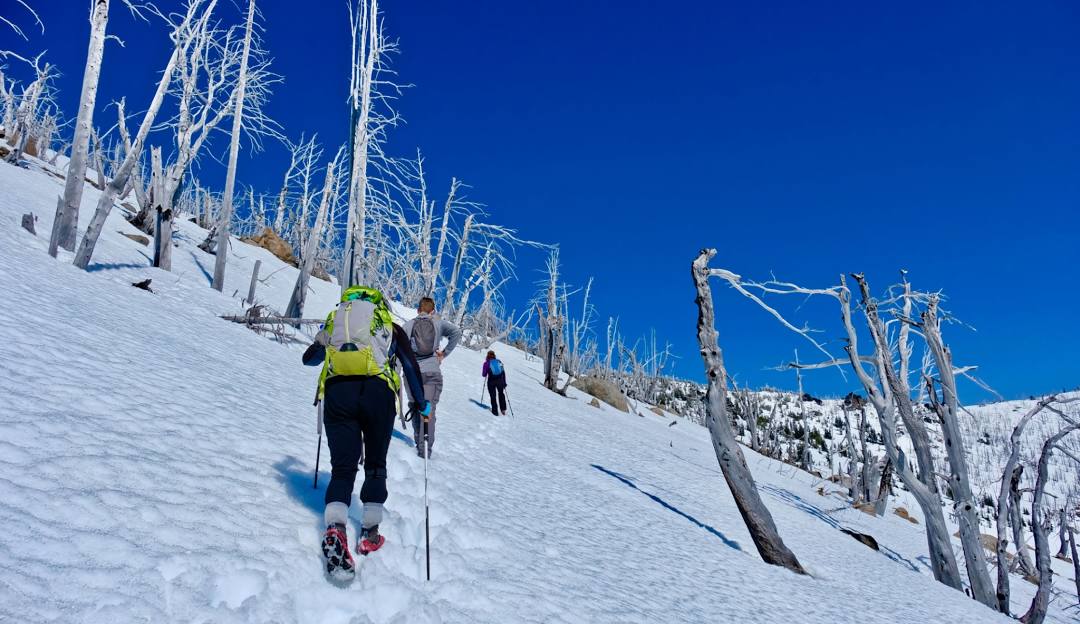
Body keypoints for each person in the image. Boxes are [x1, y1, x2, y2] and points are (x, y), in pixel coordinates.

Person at [302, 285, 430, 579]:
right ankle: (370, 531)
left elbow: (309, 359)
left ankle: (335, 527)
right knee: (375, 465)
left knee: (342, 468)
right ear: (378, 305)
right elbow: (410, 366)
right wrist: (421, 404)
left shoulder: (336, 322)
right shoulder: (388, 326)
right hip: (377, 394)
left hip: (337, 393)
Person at [401, 297, 461, 458]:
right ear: (432, 311)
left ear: (417, 309)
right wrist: (444, 353)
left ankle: (417, 442)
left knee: (415, 405)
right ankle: (424, 452)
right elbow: (456, 332)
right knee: (428, 411)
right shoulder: (438, 323)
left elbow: (398, 347)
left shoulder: (409, 325)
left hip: (412, 375)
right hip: (432, 373)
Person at [482, 350, 508, 416]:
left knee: (493, 396)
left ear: (487, 356)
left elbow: (484, 374)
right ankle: (503, 410)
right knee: (501, 394)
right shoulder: (499, 361)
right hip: (500, 381)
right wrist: (504, 382)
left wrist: (487, 372)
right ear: (494, 356)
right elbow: (503, 372)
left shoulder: (486, 363)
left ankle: (495, 412)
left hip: (491, 381)